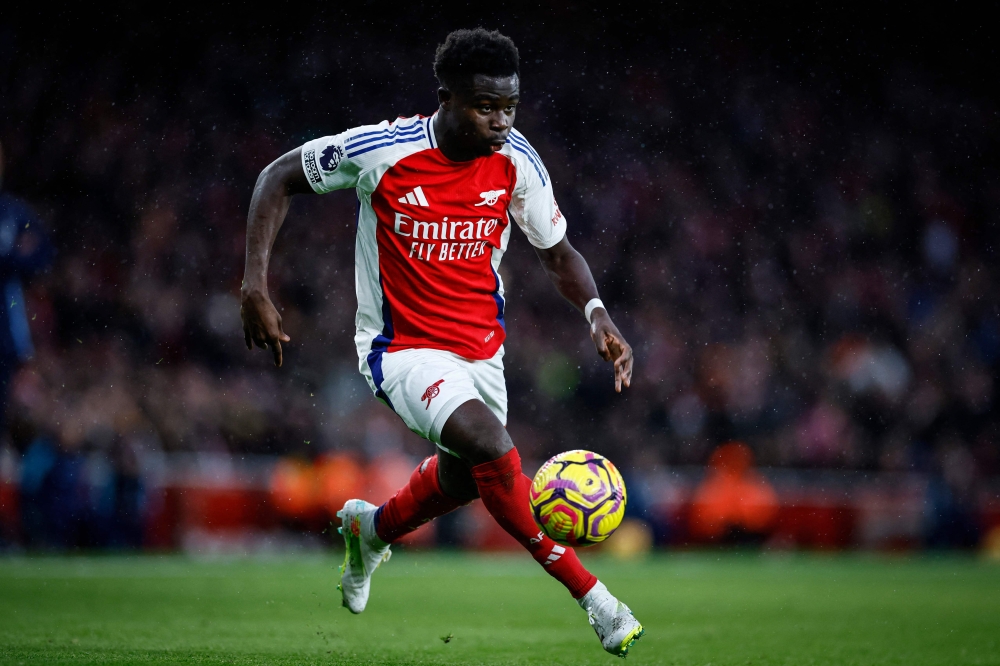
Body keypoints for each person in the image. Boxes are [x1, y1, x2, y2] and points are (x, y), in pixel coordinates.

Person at [240, 29, 643, 657]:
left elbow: (557, 251)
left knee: (463, 478)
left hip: (483, 352)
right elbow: (276, 176)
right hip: (400, 349)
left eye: (509, 107)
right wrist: (254, 286)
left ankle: (370, 530)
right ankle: (595, 598)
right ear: (446, 99)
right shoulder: (384, 150)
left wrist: (597, 314)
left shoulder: (517, 160)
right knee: (492, 445)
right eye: (485, 107)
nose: (500, 121)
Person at [0, 140, 52, 442]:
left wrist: (9, 259)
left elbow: (42, 254)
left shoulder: (15, 212)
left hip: (5, 326)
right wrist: (11, 257)